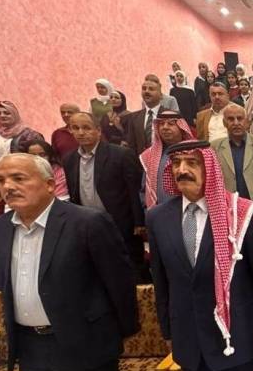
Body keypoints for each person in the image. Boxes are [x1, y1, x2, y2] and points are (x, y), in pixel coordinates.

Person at [0, 153, 138, 371]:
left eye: (19, 178)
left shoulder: (87, 222)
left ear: (49, 184)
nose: (8, 187)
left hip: (83, 341)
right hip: (30, 347)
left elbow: (119, 283)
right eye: (1, 180)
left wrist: (118, 334)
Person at [148, 141, 253, 371]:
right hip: (190, 340)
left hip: (236, 337)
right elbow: (161, 281)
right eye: (176, 163)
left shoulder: (239, 213)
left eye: (192, 163)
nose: (182, 170)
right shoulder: (157, 217)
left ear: (210, 168)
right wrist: (168, 331)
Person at [63, 112, 146, 280]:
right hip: (88, 224)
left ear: (98, 130)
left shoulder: (121, 154)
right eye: (75, 128)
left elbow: (134, 189)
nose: (81, 132)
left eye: (86, 128)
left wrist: (139, 222)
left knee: (131, 270)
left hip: (120, 223)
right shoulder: (69, 159)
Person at [212, 104, 253, 264]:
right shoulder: (214, 146)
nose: (236, 123)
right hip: (228, 210)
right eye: (231, 119)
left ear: (247, 121)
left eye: (240, 118)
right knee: (234, 255)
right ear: (224, 123)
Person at [140, 110, 195, 208]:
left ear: (181, 127)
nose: (165, 127)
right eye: (161, 124)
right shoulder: (149, 155)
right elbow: (145, 188)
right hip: (158, 211)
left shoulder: (195, 152)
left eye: (170, 124)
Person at [122, 75, 176, 156]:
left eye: (151, 89)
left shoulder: (170, 115)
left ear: (160, 95)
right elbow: (131, 146)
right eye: (144, 89)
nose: (146, 91)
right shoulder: (134, 117)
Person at [0, 100, 44, 168]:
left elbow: (40, 160)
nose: (2, 115)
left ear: (15, 114)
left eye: (7, 113)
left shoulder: (31, 135)